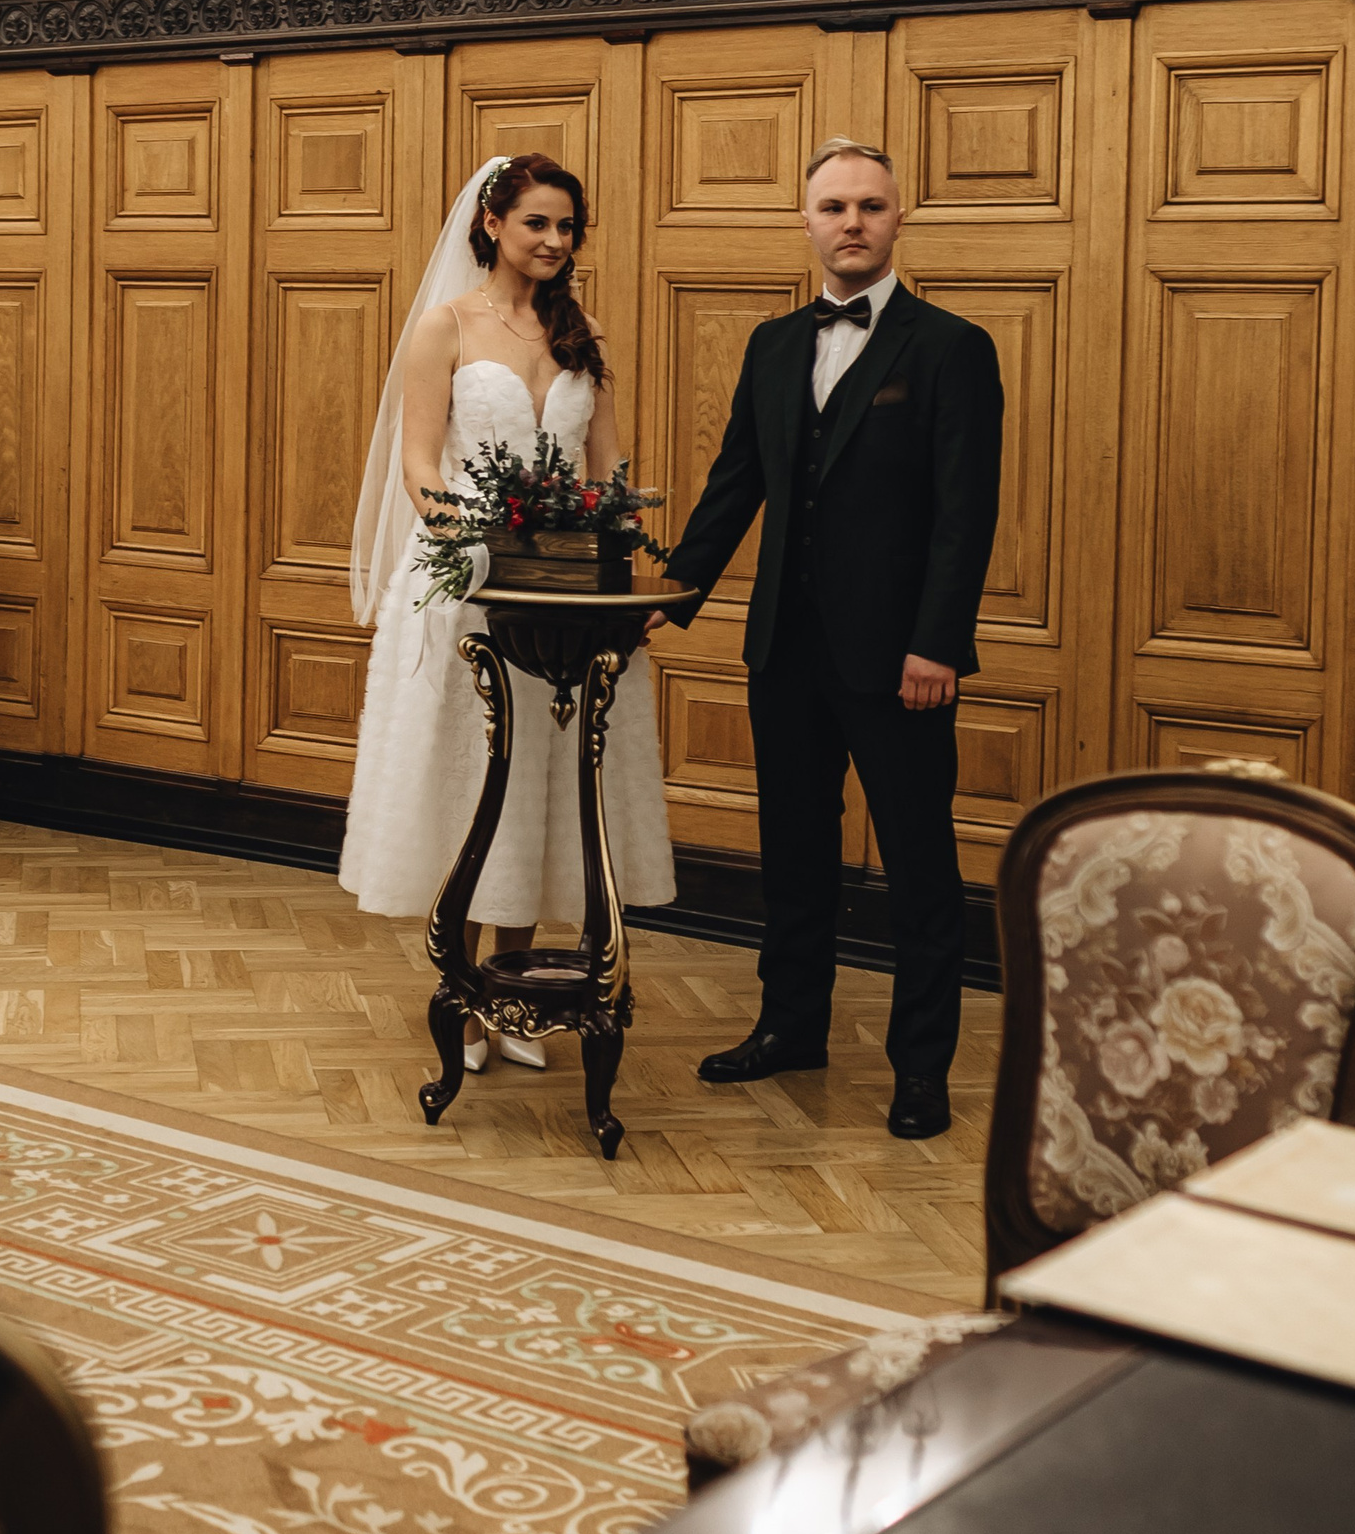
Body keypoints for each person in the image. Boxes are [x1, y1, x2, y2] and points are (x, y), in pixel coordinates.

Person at [655, 137, 1002, 1138]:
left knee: (920, 865)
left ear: (898, 220)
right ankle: (791, 1025)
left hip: (900, 659)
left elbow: (965, 511)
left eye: (870, 206)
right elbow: (735, 484)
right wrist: (667, 596)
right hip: (785, 649)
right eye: (834, 206)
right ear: (805, 222)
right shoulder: (772, 345)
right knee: (794, 851)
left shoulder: (951, 346)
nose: (852, 222)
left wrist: (938, 643)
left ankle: (921, 1067)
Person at [341, 152, 674, 1072]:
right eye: (537, 222)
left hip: (562, 591)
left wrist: (619, 566)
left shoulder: (582, 333)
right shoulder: (445, 326)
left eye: (567, 226)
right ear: (492, 224)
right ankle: (463, 994)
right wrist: (468, 540)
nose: (555, 240)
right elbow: (418, 462)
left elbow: (608, 468)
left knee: (539, 776)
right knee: (469, 780)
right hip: (467, 587)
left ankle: (514, 985)